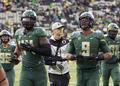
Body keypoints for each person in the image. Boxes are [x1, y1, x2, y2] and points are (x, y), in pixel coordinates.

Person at [64, 12, 112, 86]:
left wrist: (98, 57)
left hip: (93, 70)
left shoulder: (98, 35)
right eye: (81, 20)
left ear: (91, 22)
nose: (83, 22)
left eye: (86, 20)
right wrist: (73, 57)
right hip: (80, 70)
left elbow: (109, 54)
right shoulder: (75, 36)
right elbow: (66, 54)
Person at [14, 10, 51, 86]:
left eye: (29, 19)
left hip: (39, 70)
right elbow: (18, 49)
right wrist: (15, 57)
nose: (27, 22)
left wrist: (32, 49)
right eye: (25, 19)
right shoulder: (18, 32)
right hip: (25, 71)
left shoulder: (39, 31)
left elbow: (47, 51)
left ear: (34, 20)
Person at [46, 22, 70, 86]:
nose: (61, 30)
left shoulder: (67, 42)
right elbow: (45, 58)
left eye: (61, 28)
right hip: (53, 73)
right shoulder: (48, 43)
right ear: (53, 30)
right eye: (58, 29)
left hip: (65, 72)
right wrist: (55, 61)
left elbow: (71, 54)